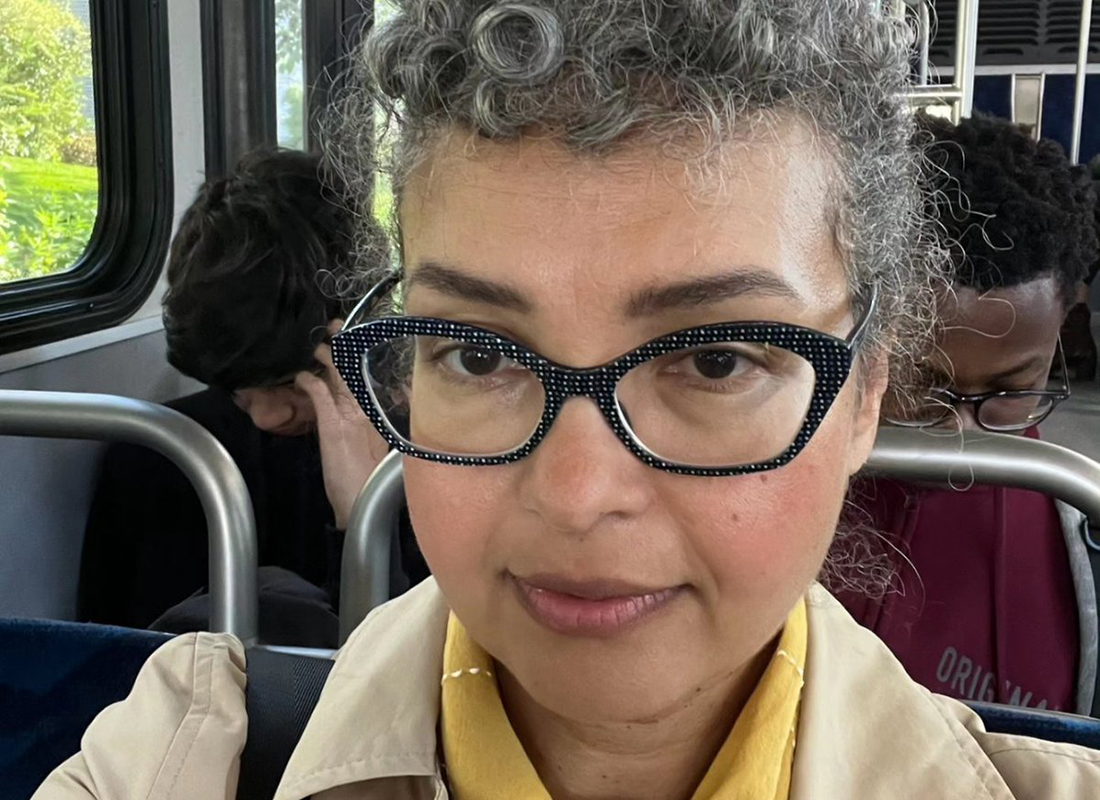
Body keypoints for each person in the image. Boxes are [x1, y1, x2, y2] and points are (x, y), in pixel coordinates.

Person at [36, 2, 1100, 799]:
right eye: (477, 353)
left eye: (717, 359)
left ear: (863, 393)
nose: (580, 494)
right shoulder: (185, 753)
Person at [78, 149, 413, 642]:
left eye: (290, 381)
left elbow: (414, 670)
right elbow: (117, 662)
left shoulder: (414, 458)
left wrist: (363, 514)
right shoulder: (158, 454)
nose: (266, 416)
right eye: (240, 390)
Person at [839, 113, 1100, 715]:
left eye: (1010, 387)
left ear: (1063, 333)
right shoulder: (782, 490)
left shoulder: (1081, 533)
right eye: (923, 385)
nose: (961, 434)